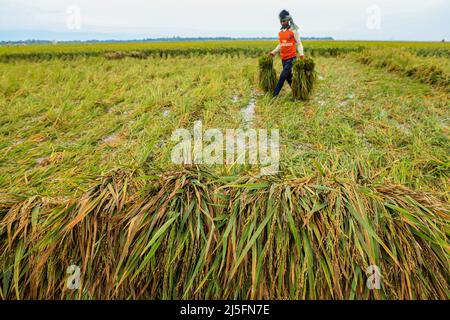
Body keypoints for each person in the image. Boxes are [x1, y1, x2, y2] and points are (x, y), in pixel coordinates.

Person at [269, 10, 305, 97]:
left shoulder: (293, 31)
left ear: (288, 20)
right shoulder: (281, 33)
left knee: (282, 77)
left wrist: (301, 54)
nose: (282, 23)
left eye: (284, 21)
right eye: (281, 21)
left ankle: (274, 95)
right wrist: (273, 52)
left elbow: (299, 43)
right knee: (289, 78)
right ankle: (297, 93)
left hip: (291, 58)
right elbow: (281, 44)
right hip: (283, 58)